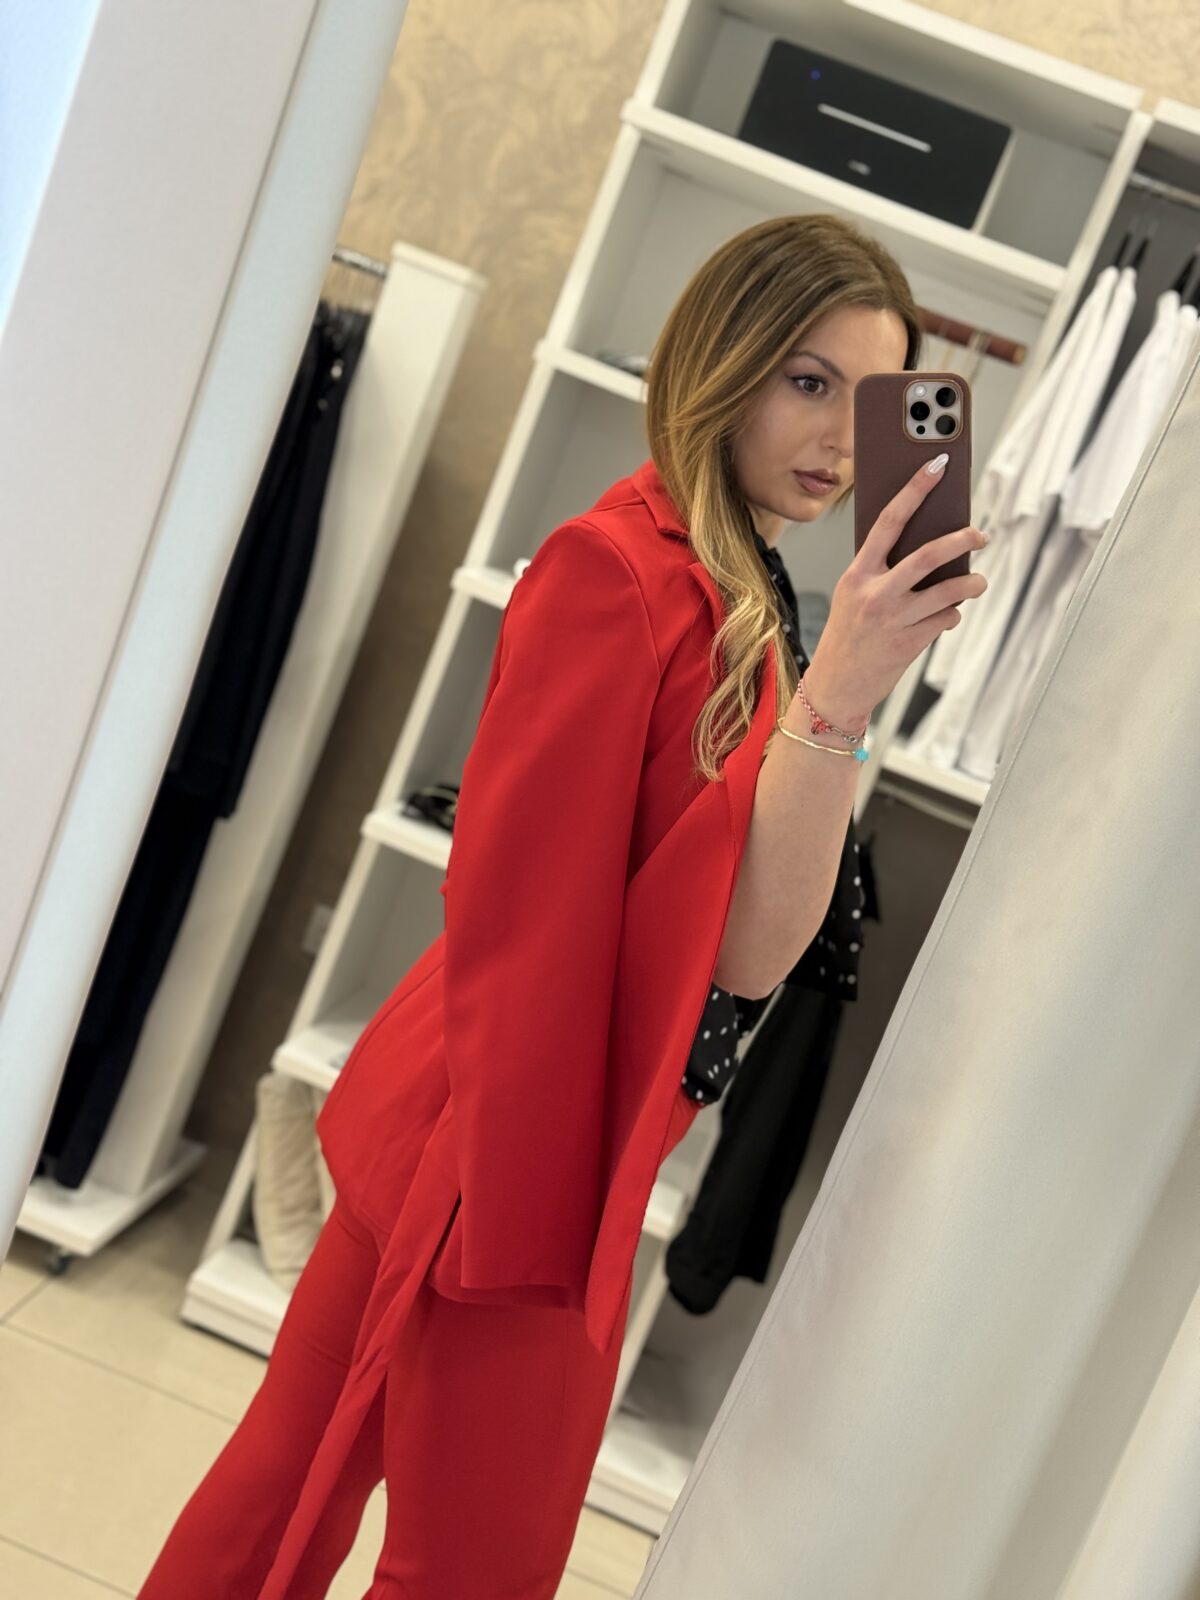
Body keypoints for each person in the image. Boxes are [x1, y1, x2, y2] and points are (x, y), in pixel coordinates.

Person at [138, 213, 988, 1598]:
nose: (842, 437)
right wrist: (531, 1223)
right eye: (807, 380)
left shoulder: (749, 588)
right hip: (510, 1150)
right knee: (450, 1560)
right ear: (723, 365)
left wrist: (843, 683)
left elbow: (744, 945)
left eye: (873, 396)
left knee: (290, 1489)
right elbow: (527, 921)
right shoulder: (621, 570)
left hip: (489, 1124)